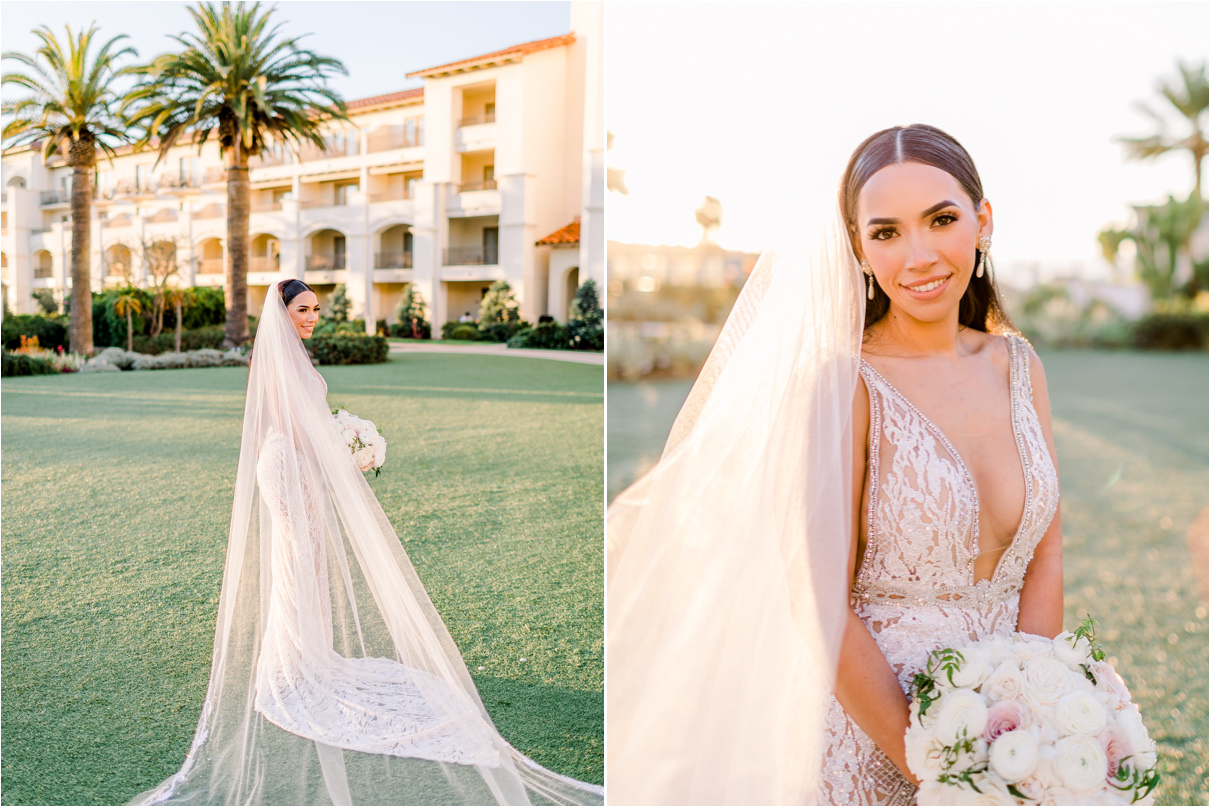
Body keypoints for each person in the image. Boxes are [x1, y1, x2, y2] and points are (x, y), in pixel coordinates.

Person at [605, 124, 1062, 805]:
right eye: (885, 233)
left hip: (1015, 732)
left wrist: (1034, 717)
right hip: (878, 735)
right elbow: (818, 601)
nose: (919, 255)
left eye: (940, 220)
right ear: (857, 246)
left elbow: (1045, 557)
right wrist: (945, 775)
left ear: (981, 220)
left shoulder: (1019, 366)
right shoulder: (842, 383)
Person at [134, 279, 603, 806]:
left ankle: (302, 655)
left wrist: (340, 445)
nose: (312, 318)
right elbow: (290, 424)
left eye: (316, 310)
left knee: (304, 562)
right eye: (303, 309)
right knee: (299, 559)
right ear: (282, 312)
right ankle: (293, 667)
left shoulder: (288, 358)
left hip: (293, 460)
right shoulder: (279, 362)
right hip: (288, 464)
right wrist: (342, 452)